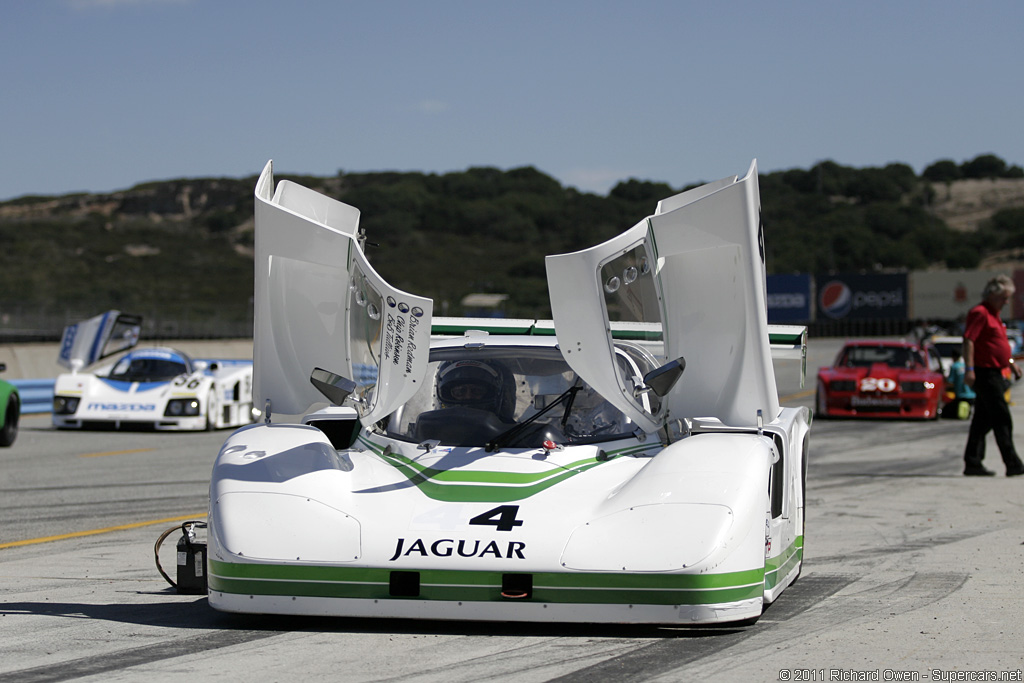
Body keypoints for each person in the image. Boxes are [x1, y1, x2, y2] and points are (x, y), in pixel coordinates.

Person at [962, 275, 1024, 476]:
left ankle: (973, 461)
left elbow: (998, 346)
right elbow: (969, 341)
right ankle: (1012, 463)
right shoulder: (980, 313)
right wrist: (969, 370)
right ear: (992, 295)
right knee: (1001, 418)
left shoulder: (994, 314)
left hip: (996, 371)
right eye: (1003, 298)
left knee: (983, 420)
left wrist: (1011, 364)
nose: (1006, 302)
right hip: (985, 373)